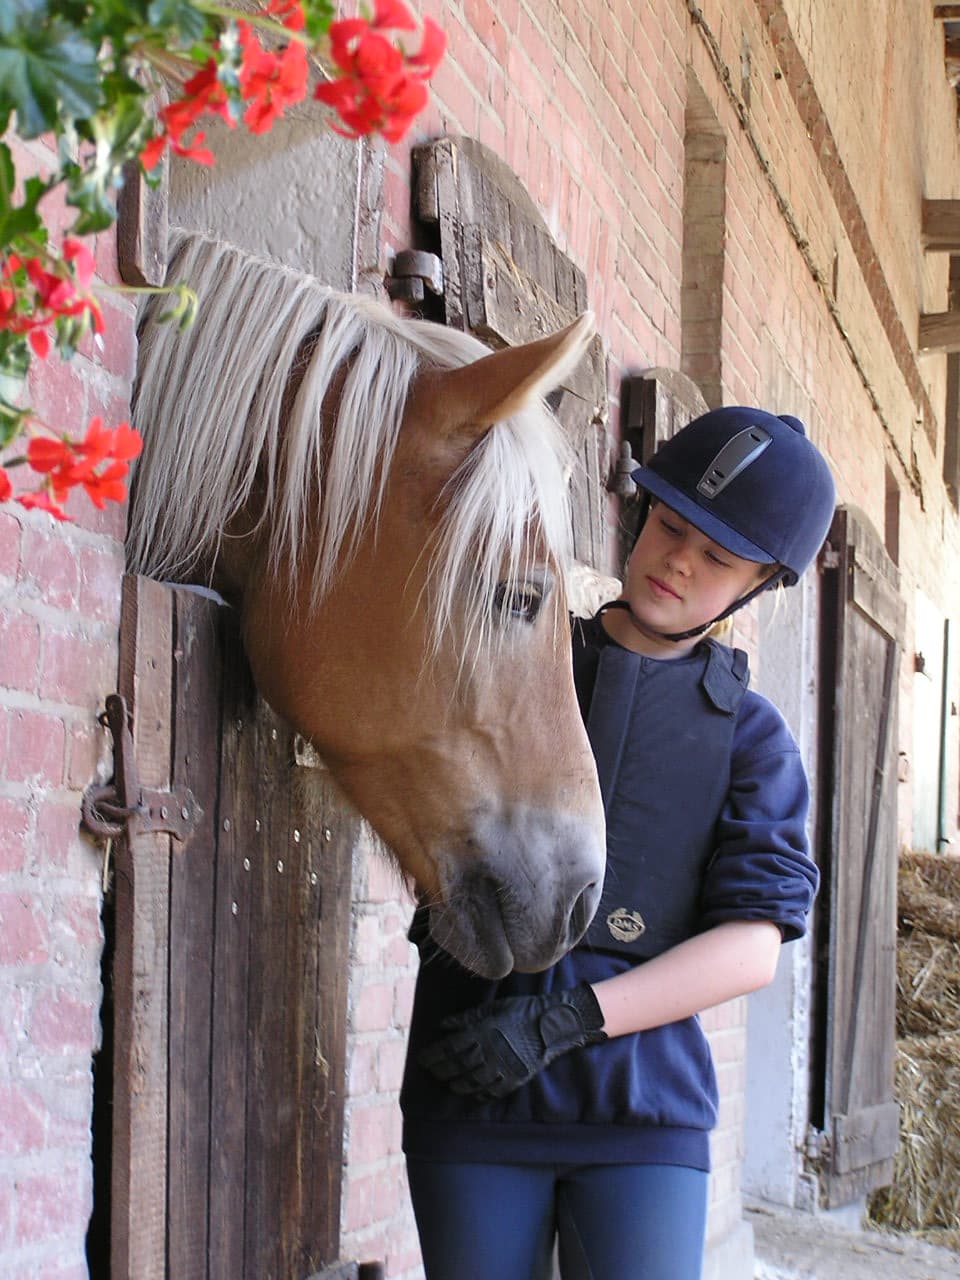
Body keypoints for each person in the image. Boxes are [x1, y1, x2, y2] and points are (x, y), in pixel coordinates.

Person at [399, 406, 836, 1280]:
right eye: (670, 525)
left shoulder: (754, 738)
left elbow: (751, 949)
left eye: (717, 557)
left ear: (758, 583)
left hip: (642, 1113)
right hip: (471, 1088)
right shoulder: (514, 659)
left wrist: (566, 1020)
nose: (680, 559)